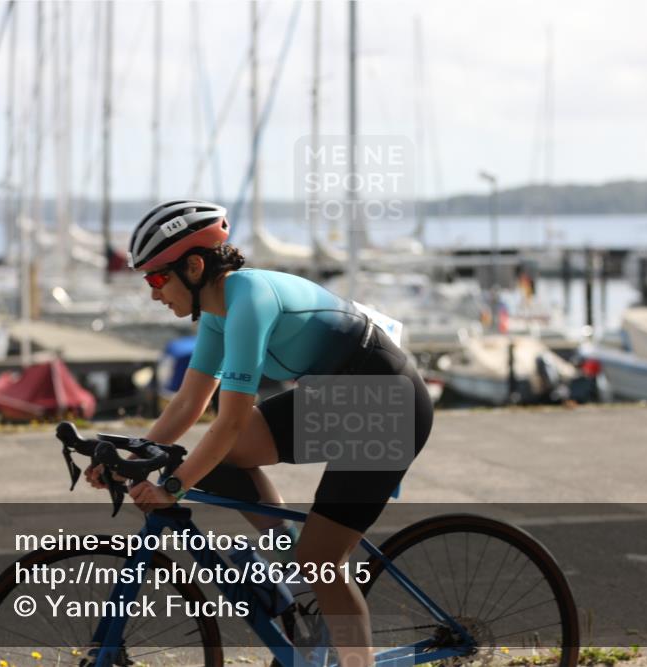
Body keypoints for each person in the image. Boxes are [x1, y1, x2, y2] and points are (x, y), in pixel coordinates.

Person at [86, 199, 434, 667]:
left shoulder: (250, 300)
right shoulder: (217, 313)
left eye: (156, 279)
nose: (153, 294)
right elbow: (189, 403)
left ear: (193, 266)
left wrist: (174, 487)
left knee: (321, 561)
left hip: (388, 406)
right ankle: (291, 568)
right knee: (216, 459)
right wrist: (131, 462)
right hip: (340, 397)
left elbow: (230, 420)